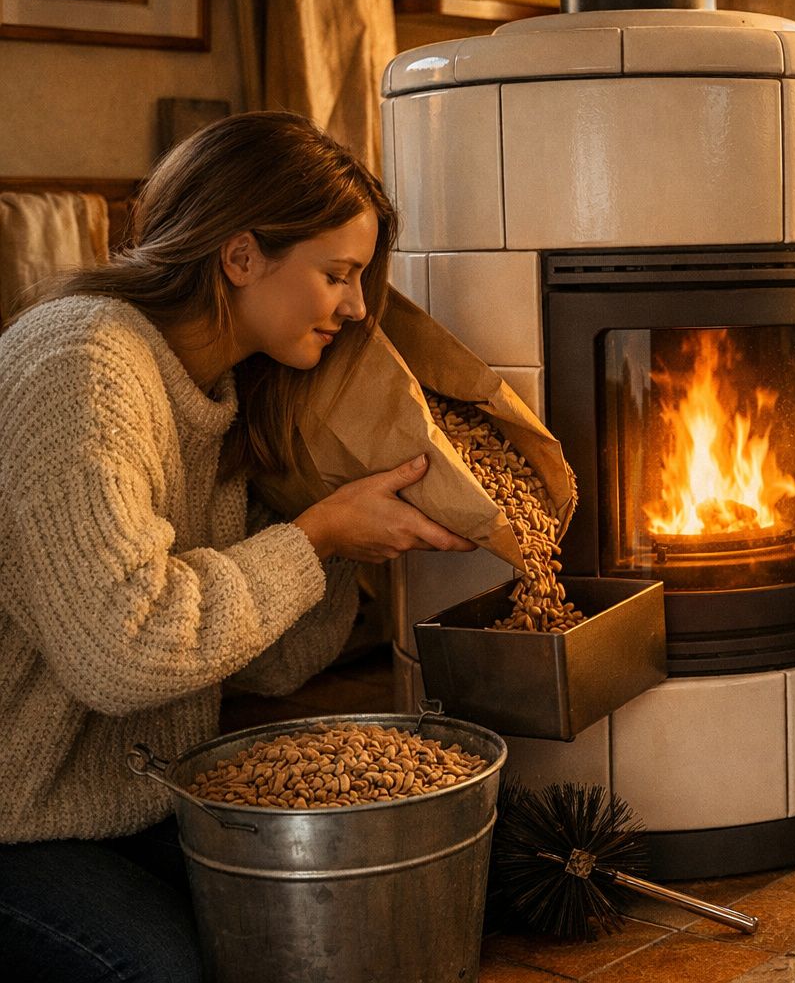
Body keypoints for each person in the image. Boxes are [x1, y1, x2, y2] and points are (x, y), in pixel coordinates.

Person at [0, 111, 475, 981]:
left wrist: (339, 543)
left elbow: (269, 666)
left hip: (142, 801)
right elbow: (124, 650)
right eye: (338, 274)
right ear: (242, 255)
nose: (357, 306)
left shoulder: (223, 387)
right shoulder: (83, 368)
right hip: (18, 823)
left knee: (353, 917)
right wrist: (318, 534)